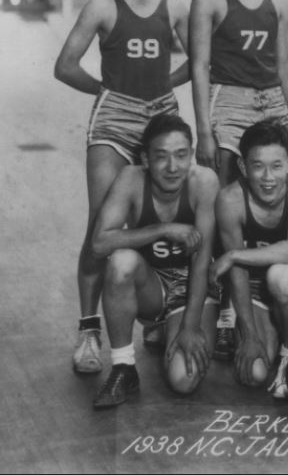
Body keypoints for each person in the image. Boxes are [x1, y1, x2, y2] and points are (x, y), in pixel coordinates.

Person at [54, 0, 190, 374]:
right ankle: (89, 329)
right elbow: (66, 65)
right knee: (101, 227)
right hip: (115, 118)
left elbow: (199, 61)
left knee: (163, 214)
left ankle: (154, 312)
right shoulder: (102, 4)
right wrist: (108, 92)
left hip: (163, 115)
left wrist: (160, 84)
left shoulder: (176, 6)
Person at [189, 0, 288, 360]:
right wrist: (204, 130)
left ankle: (266, 294)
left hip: (272, 99)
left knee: (274, 190)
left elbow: (285, 65)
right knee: (225, 203)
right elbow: (199, 66)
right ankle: (225, 312)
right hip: (230, 101)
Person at [89, 114, 219, 409]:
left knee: (183, 380)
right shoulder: (131, 179)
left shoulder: (205, 182)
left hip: (191, 289)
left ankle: (172, 328)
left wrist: (190, 326)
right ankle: (123, 367)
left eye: (181, 155)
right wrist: (162, 229)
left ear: (191, 155)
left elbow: (201, 263)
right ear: (146, 159)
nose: (172, 167)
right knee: (121, 261)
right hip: (153, 287)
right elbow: (99, 244)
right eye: (161, 157)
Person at [210, 121, 288, 400]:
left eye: (276, 166)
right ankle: (275, 327)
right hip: (253, 285)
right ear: (242, 167)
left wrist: (233, 254)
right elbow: (236, 273)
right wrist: (250, 335)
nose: (267, 177)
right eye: (257, 166)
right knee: (255, 374)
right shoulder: (229, 200)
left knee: (281, 276)